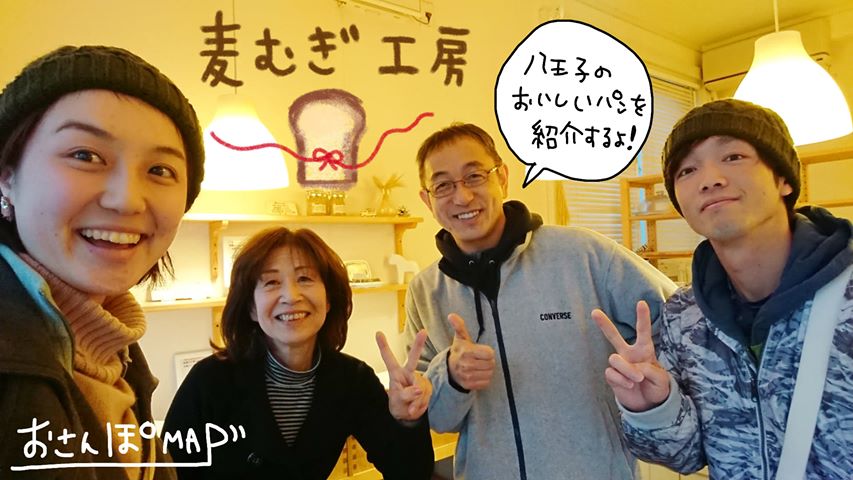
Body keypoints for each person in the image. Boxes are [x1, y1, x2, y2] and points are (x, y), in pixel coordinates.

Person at [592, 99, 853, 479]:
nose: (709, 179)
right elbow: (687, 457)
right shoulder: (684, 316)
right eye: (687, 170)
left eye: (733, 157)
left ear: (783, 179)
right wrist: (653, 407)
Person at [404, 123, 676, 479]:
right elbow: (439, 419)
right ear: (427, 200)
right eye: (443, 185)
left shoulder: (584, 255)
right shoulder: (425, 291)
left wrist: (657, 393)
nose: (463, 197)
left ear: (502, 177)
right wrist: (452, 378)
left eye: (474, 176)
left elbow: (680, 321)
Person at [0, 45, 205, 479]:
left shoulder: (115, 348)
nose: (126, 200)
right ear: (7, 176)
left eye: (160, 170)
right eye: (85, 156)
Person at [163, 227, 434, 479]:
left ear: (328, 299)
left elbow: (410, 474)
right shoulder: (210, 380)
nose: (291, 296)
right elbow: (166, 473)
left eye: (305, 278)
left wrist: (406, 421)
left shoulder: (352, 380)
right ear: (251, 308)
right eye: (271, 282)